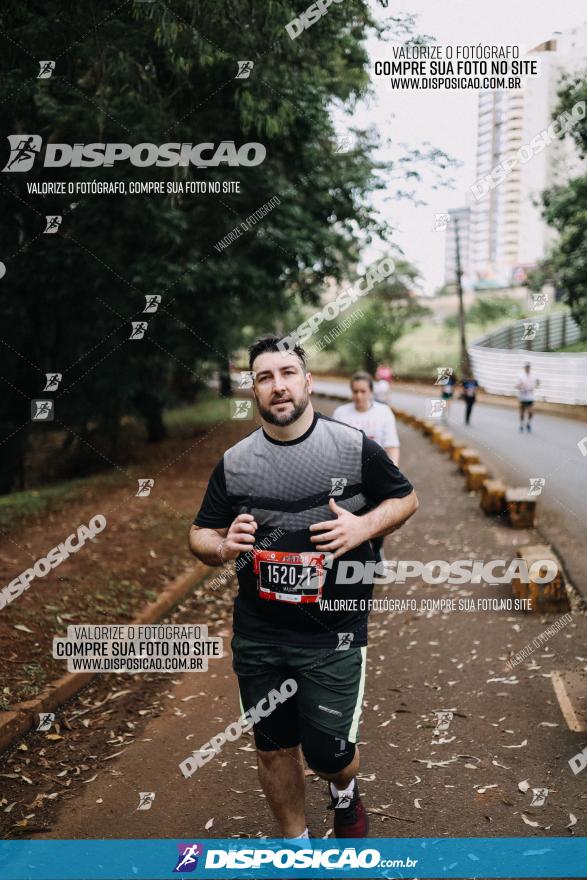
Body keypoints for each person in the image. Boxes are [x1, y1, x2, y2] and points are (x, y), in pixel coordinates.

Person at [189, 335, 418, 840]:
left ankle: (344, 788)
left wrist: (362, 528)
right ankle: (297, 848)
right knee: (272, 747)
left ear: (308, 381)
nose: (278, 386)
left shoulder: (352, 447)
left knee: (329, 754)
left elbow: (405, 499)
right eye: (265, 377)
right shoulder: (235, 463)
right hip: (260, 632)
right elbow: (199, 534)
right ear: (253, 389)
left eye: (288, 373)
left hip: (333, 631)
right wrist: (223, 546)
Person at [333, 372, 401, 563]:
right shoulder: (341, 413)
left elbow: (392, 446)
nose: (359, 396)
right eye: (355, 391)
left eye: (363, 391)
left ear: (371, 391)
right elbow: (334, 447)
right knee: (347, 513)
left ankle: (377, 550)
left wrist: (392, 474)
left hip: (376, 472)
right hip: (348, 474)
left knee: (380, 516)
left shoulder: (384, 413)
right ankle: (354, 556)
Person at [516, 362, 540, 433]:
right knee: (522, 412)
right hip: (522, 396)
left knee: (531, 412)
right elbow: (517, 385)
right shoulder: (520, 376)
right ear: (524, 368)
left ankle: (528, 423)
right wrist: (519, 386)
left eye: (528, 367)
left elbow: (537, 382)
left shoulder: (533, 376)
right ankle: (521, 425)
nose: (527, 368)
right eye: (526, 367)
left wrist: (536, 385)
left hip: (530, 396)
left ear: (530, 368)